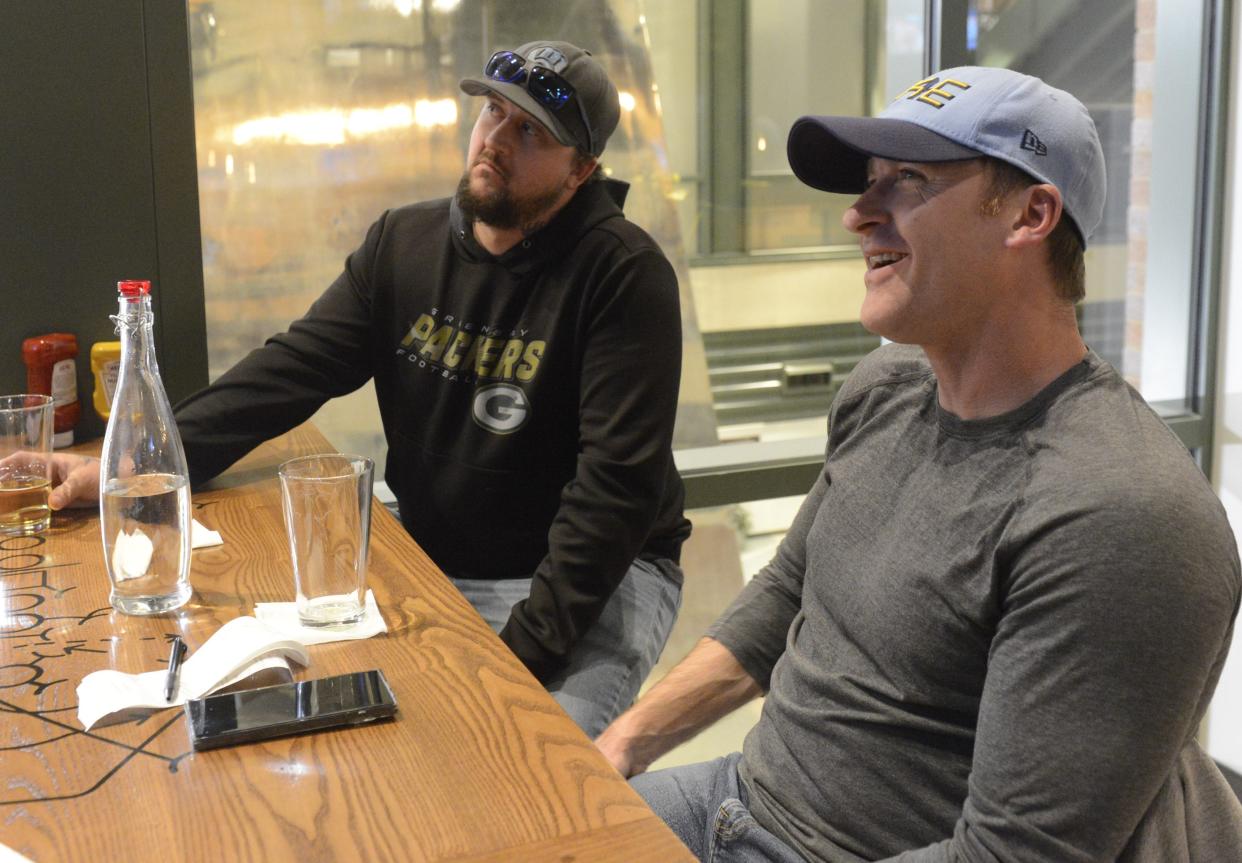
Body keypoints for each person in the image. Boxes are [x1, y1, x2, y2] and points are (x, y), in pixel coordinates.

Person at [594, 66, 1242, 861]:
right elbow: (790, 593)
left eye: (906, 180)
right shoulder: (887, 386)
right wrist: (620, 744)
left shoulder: (1121, 511)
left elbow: (1014, 855)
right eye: (869, 183)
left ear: (1031, 213)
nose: (858, 218)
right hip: (731, 798)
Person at [51, 40, 691, 738]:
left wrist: (515, 659)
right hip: (439, 560)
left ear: (582, 170)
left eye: (531, 132)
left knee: (519, 754)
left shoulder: (624, 276)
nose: (496, 140)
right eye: (493, 113)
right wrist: (129, 470)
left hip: (592, 580)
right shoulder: (404, 243)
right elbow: (292, 369)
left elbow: (612, 498)